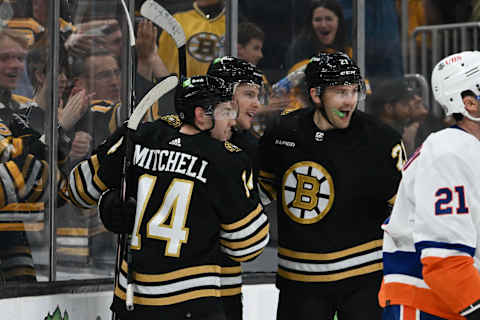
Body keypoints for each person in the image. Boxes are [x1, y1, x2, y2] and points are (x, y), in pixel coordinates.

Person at [68, 75, 269, 319]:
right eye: (226, 111)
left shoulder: (139, 136)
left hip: (132, 301)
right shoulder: (227, 160)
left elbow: (78, 190)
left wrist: (109, 202)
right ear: (201, 116)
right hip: (192, 303)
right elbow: (248, 245)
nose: (232, 120)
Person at [256, 52, 405, 320]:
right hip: (299, 283)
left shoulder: (381, 140)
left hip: (363, 281)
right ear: (316, 95)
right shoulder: (282, 133)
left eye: (353, 91)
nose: (350, 101)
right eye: (340, 92)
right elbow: (259, 196)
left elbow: (404, 215)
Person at [379, 51, 480, 320]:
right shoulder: (448, 153)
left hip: (459, 302)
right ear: (469, 103)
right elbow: (444, 260)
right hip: (426, 306)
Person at [207, 56, 264, 320]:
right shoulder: (178, 138)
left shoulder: (251, 150)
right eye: (249, 94)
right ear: (225, 95)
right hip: (180, 285)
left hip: (224, 281)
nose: (257, 104)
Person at [157, 0, 226, 77]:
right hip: (178, 86)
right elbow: (160, 59)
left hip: (218, 86)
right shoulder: (175, 17)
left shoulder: (234, 21)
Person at [285, 0, 351, 71]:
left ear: (339, 21)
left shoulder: (351, 48)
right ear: (310, 23)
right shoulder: (298, 50)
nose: (323, 25)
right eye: (318, 20)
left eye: (329, 19)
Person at [368, 79, 428, 156]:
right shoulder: (375, 138)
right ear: (389, 108)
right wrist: (406, 148)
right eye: (406, 102)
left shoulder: (407, 128)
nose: (411, 106)